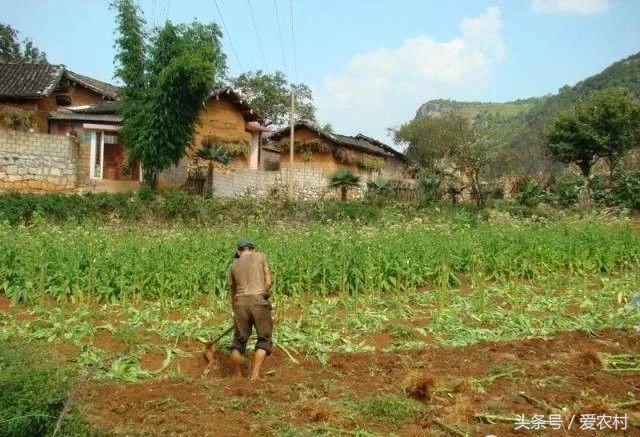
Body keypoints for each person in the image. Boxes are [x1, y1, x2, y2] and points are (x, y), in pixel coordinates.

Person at [228, 240, 273, 382]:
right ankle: (254, 375)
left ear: (238, 251)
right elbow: (268, 281)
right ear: (253, 250)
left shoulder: (233, 265)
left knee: (238, 341)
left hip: (240, 303)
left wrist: (236, 309)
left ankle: (238, 374)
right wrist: (264, 292)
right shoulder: (261, 256)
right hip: (259, 301)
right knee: (264, 339)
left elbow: (233, 292)